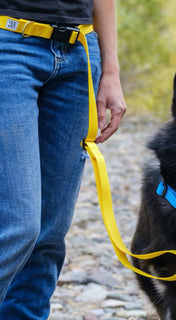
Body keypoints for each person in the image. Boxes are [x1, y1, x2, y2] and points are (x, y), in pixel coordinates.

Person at [0, 0, 126, 318]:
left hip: (80, 52)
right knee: (18, 227)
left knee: (49, 231)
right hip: (8, 43)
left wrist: (111, 70)